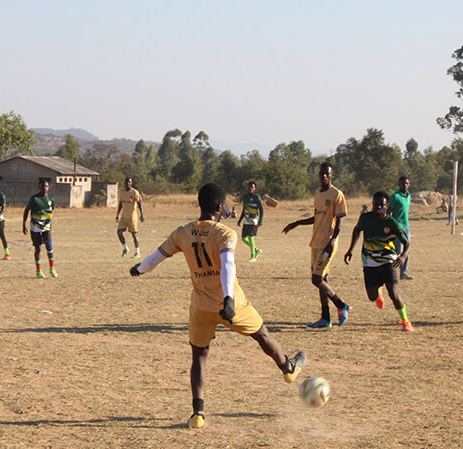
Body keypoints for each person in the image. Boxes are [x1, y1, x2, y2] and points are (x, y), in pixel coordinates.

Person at [129, 183, 306, 429]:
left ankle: (198, 415)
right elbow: (227, 265)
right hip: (230, 303)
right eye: (224, 206)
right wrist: (228, 299)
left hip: (201, 306)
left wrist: (139, 269)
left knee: (199, 355)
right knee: (261, 334)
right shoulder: (224, 233)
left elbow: (156, 257)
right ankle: (288, 368)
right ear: (219, 207)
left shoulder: (183, 232)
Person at [282, 162, 350, 329]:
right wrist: (296, 223)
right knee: (323, 280)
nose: (324, 176)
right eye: (322, 173)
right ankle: (325, 318)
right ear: (319, 175)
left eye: (328, 173)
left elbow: (340, 220)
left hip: (328, 242)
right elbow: (316, 218)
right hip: (316, 242)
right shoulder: (318, 194)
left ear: (332, 175)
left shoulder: (337, 194)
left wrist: (333, 240)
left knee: (316, 279)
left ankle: (341, 305)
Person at [344, 191, 414, 331]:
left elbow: (407, 244)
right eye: (375, 204)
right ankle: (378, 290)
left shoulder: (392, 223)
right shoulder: (365, 218)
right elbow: (357, 230)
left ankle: (406, 321)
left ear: (387, 206)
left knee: (393, 294)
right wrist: (350, 249)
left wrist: (402, 256)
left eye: (381, 205)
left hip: (389, 261)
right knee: (372, 297)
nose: (378, 207)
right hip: (369, 261)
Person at [23, 179, 57, 278]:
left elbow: (50, 213)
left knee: (49, 248)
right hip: (35, 228)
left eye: (46, 186)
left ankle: (52, 269)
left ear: (48, 187)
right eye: (42, 186)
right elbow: (26, 211)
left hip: (46, 228)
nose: (44, 188)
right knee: (38, 249)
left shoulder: (51, 200)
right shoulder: (34, 199)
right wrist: (24, 225)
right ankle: (39, 270)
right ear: (39, 187)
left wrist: (50, 226)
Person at [388, 176, 413, 280]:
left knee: (407, 250)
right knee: (397, 250)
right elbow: (389, 211)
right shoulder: (395, 197)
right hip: (397, 226)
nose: (405, 185)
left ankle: (403, 273)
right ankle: (390, 271)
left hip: (406, 226)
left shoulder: (408, 196)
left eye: (407, 183)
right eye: (403, 183)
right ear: (399, 184)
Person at [115, 177, 145, 258]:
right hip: (124, 216)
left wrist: (142, 214)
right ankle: (125, 248)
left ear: (131, 183)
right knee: (119, 232)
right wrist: (117, 215)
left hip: (132, 217)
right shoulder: (122, 192)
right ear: (124, 183)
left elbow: (139, 203)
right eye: (127, 182)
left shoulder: (135, 192)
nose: (128, 183)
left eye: (129, 182)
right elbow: (120, 204)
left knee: (134, 235)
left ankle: (137, 252)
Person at [236, 181, 264, 262]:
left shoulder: (256, 197)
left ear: (255, 189)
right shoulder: (245, 197)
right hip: (247, 219)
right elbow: (244, 210)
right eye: (249, 187)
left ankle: (253, 256)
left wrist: (261, 220)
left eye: (252, 187)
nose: (250, 189)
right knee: (243, 238)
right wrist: (240, 220)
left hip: (254, 220)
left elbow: (261, 209)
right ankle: (256, 249)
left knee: (251, 237)